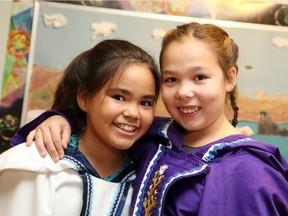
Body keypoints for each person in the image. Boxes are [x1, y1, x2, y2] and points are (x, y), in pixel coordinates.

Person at [10, 22, 288, 215]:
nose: (183, 92)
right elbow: (100, 124)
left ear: (230, 78)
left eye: (200, 77)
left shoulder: (248, 171)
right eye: (171, 79)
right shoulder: (153, 138)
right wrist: (62, 119)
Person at [0, 39, 161, 215]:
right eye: (119, 97)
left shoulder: (148, 182)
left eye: (145, 102)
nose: (133, 113)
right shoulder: (36, 167)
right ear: (84, 98)